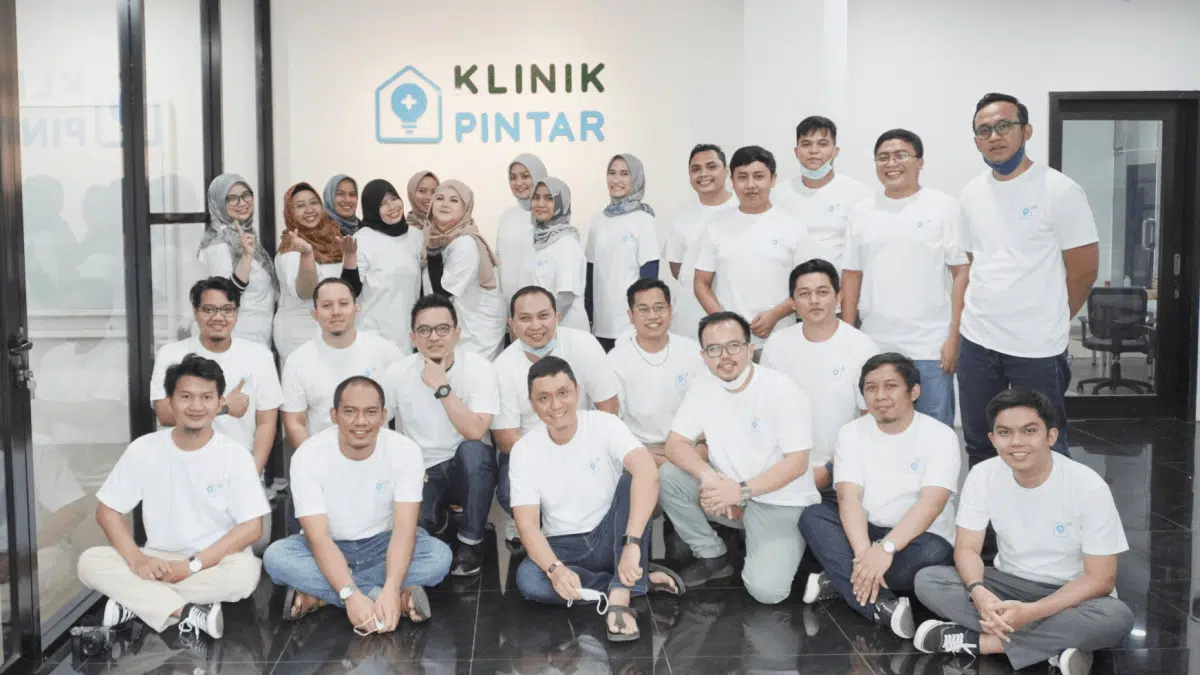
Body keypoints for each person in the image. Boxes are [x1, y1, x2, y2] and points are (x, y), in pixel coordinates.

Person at [914, 389, 1133, 673]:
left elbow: (1101, 578)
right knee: (929, 580)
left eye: (1029, 431)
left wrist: (1032, 612)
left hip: (1071, 592)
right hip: (1007, 583)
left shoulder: (1087, 486)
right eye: (1004, 432)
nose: (1016, 442)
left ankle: (980, 642)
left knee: (1116, 617)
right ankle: (1055, 646)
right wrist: (978, 591)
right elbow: (967, 549)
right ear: (993, 439)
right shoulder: (983, 475)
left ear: (1051, 436)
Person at [78, 355, 269, 639]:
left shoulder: (235, 455)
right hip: (156, 559)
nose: (196, 406)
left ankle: (136, 604)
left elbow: (252, 527)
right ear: (170, 401)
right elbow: (107, 512)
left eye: (206, 397)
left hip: (212, 560)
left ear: (220, 403)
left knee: (244, 574)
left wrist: (192, 566)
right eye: (186, 397)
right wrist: (137, 560)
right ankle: (186, 611)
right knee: (89, 562)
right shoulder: (144, 449)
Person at [957, 92, 1099, 465]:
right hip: (978, 340)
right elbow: (975, 260)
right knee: (981, 442)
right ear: (976, 141)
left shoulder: (1060, 190)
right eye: (984, 130)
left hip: (1037, 347)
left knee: (1044, 444)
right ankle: (986, 505)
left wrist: (1053, 317)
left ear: (1027, 130)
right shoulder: (971, 194)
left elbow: (1085, 270)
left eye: (1004, 126)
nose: (994, 136)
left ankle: (1049, 505)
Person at [510, 356, 683, 642]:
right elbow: (527, 525)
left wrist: (632, 544)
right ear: (532, 404)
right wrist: (555, 570)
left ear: (577, 391)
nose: (556, 405)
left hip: (613, 534)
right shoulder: (524, 450)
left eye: (563, 393)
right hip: (564, 545)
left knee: (634, 479)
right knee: (530, 581)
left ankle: (621, 596)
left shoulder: (604, 424)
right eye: (544, 398)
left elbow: (647, 470)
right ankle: (634, 580)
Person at [263, 376, 452, 630]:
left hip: (383, 544)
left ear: (384, 415)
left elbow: (404, 530)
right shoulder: (308, 455)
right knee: (276, 557)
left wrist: (392, 584)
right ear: (334, 415)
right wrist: (351, 594)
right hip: (329, 545)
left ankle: (320, 597)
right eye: (350, 412)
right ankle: (384, 599)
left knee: (438, 557)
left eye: (370, 412)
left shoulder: (405, 451)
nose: (360, 422)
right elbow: (318, 538)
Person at [797, 353, 959, 639]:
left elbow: (931, 504)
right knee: (813, 516)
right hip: (867, 531)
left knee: (933, 555)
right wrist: (864, 556)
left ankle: (841, 579)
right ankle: (882, 604)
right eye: (871, 388)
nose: (880, 396)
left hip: (918, 538)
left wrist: (885, 549)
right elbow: (848, 498)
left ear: (914, 391)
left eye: (890, 386)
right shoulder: (851, 433)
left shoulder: (940, 436)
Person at [661, 312, 818, 603]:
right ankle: (713, 555)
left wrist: (740, 491)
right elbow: (675, 444)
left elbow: (797, 463)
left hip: (778, 501)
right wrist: (711, 479)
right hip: (726, 491)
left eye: (733, 346)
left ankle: (798, 545)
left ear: (749, 348)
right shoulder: (704, 385)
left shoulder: (782, 390)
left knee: (767, 592)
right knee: (669, 476)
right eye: (714, 349)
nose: (725, 356)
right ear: (703, 355)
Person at [841, 129, 969, 428]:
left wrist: (954, 337)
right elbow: (851, 274)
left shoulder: (943, 206)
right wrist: (846, 336)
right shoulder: (861, 211)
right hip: (875, 342)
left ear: (919, 161)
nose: (891, 163)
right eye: (883, 157)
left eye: (901, 155)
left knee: (935, 429)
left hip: (931, 344)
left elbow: (961, 272)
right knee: (878, 430)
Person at [492, 286, 620, 548]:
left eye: (543, 316)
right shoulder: (502, 367)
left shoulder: (584, 345)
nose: (535, 326)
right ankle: (540, 530)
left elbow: (609, 408)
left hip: (585, 442)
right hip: (532, 452)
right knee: (507, 492)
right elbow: (506, 440)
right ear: (511, 324)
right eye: (525, 318)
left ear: (557, 317)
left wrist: (577, 452)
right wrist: (554, 460)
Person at [383, 294, 499, 577]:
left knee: (475, 451)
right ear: (413, 337)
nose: (434, 337)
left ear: (457, 333)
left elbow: (476, 431)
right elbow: (378, 427)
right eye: (424, 330)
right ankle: (440, 519)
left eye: (442, 329)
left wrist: (441, 387)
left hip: (465, 468)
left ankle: (471, 541)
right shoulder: (397, 373)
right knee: (422, 527)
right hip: (421, 470)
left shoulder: (480, 368)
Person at [762, 259, 879, 492]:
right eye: (804, 294)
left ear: (839, 297)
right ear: (792, 302)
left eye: (822, 292)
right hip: (783, 469)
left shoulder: (862, 347)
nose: (814, 300)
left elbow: (872, 421)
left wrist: (829, 469)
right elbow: (764, 411)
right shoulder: (777, 344)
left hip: (844, 470)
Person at [150, 277, 282, 476]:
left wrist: (252, 475)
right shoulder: (171, 354)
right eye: (209, 309)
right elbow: (165, 415)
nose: (218, 317)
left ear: (237, 312)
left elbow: (266, 423)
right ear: (195, 312)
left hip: (237, 468)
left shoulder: (259, 356)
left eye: (227, 309)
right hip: (181, 467)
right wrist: (225, 406)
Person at [694, 146, 817, 351]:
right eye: (742, 177)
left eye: (759, 176)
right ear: (732, 181)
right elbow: (700, 283)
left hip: (781, 338)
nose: (751, 185)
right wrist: (726, 322)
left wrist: (775, 314)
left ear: (773, 179)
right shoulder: (715, 227)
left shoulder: (794, 226)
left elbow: (808, 284)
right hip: (730, 344)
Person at [281, 278, 403, 446]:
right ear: (314, 314)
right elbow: (294, 422)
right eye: (327, 305)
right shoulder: (298, 361)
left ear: (356, 308)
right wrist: (312, 458)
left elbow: (409, 402)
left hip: (379, 454)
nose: (336, 312)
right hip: (324, 455)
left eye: (344, 304)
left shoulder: (385, 351)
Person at [607, 278, 704, 466]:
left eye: (659, 308)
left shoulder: (691, 350)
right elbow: (614, 424)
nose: (652, 316)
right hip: (643, 450)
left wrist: (697, 454)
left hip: (689, 446)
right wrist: (657, 460)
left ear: (670, 310)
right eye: (643, 310)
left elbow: (705, 407)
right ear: (631, 315)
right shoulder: (616, 360)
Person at [273, 182, 361, 363]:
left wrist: (350, 256)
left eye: (314, 202)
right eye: (300, 206)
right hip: (299, 333)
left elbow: (349, 287)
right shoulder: (291, 247)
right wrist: (307, 253)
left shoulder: (335, 238)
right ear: (289, 212)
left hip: (333, 329)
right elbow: (305, 292)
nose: (309, 210)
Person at [422, 179, 507, 360]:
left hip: (478, 328)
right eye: (440, 198)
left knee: (471, 374)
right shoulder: (434, 237)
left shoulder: (465, 243)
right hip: (459, 322)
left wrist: (433, 252)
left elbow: (443, 293)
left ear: (465, 209)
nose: (445, 204)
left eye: (454, 200)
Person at [774, 116, 872, 272]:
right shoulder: (777, 195)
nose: (814, 151)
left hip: (839, 285)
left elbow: (865, 253)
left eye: (822, 144)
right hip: (789, 284)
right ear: (796, 152)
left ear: (835, 151)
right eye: (806, 144)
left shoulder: (859, 195)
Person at [586, 154, 660, 352]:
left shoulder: (644, 220)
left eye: (624, 174)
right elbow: (590, 272)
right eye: (612, 173)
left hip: (630, 324)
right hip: (601, 323)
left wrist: (643, 318)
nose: (616, 179)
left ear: (635, 179)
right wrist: (589, 315)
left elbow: (650, 275)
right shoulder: (597, 220)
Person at [665, 144, 736, 338]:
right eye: (696, 169)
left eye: (711, 167)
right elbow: (676, 268)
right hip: (688, 319)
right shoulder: (681, 217)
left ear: (726, 171)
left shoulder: (741, 208)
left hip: (734, 315)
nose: (703, 174)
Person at [199, 173, 277, 346]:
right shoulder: (217, 243)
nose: (242, 203)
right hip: (238, 337)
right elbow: (225, 294)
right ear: (219, 204)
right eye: (232, 198)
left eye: (246, 195)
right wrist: (246, 256)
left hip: (258, 335)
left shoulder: (246, 235)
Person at [354, 178, 423, 354]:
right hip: (373, 335)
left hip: (408, 336)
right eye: (382, 204)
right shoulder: (362, 239)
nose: (392, 207)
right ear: (372, 209)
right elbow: (351, 289)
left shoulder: (415, 236)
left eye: (394, 199)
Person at [523, 177, 590, 332]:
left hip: (566, 330)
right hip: (544, 329)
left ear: (561, 203)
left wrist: (541, 326)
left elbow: (566, 297)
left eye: (549, 198)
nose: (540, 204)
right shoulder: (538, 240)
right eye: (536, 197)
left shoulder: (566, 243)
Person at [496, 154, 549, 309]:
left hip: (541, 309)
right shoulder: (507, 216)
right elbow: (499, 263)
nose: (518, 183)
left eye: (525, 176)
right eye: (513, 177)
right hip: (509, 306)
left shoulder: (551, 217)